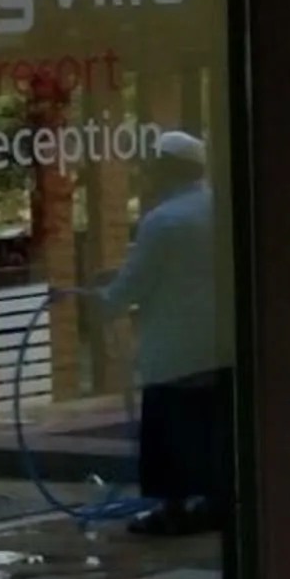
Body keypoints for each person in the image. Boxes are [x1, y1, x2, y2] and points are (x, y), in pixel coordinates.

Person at [97, 130, 229, 535]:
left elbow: (133, 284)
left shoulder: (162, 220)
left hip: (173, 353)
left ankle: (171, 511)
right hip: (217, 346)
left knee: (168, 434)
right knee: (212, 432)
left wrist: (102, 300)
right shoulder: (218, 209)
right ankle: (216, 504)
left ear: (166, 169)